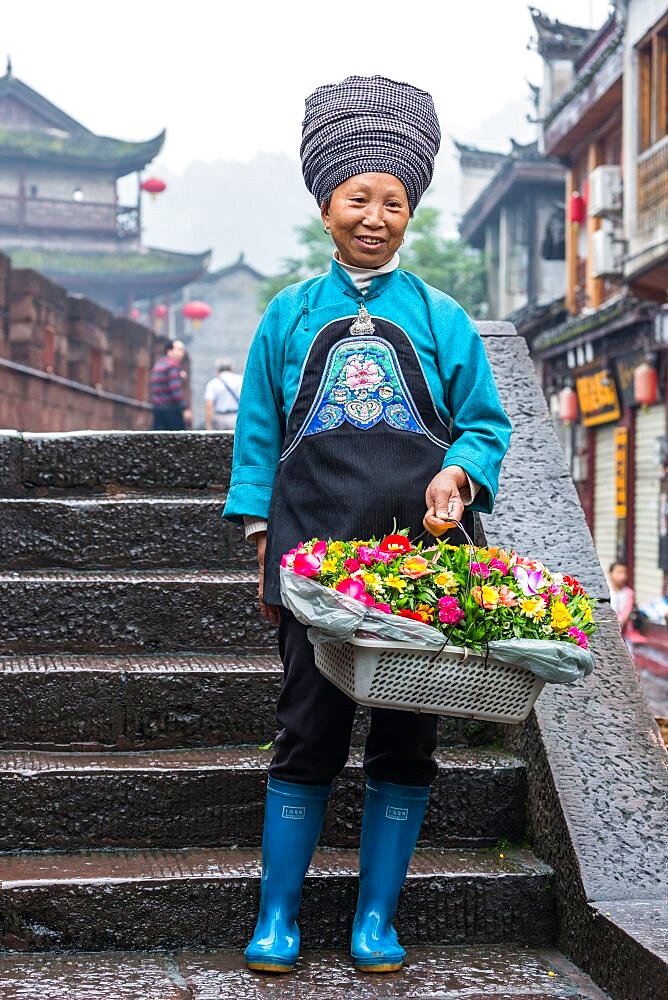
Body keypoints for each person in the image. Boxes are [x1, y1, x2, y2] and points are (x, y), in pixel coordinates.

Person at [223, 75, 512, 975]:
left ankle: (376, 919)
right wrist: (261, 548)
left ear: (411, 211)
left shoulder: (440, 316)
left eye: (395, 201)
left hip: (418, 561)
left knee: (406, 732)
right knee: (308, 725)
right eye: (360, 199)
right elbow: (260, 436)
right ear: (326, 207)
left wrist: (460, 474)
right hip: (311, 552)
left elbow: (485, 423)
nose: (377, 217)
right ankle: (278, 917)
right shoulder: (288, 315)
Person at [149, 339, 191, 430]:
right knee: (179, 440)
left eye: (183, 350)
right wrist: (184, 408)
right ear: (169, 351)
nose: (182, 353)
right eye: (179, 350)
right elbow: (175, 389)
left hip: (158, 409)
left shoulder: (159, 365)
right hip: (171, 410)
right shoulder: (172, 367)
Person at [204, 359, 243, 430]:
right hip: (235, 416)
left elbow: (209, 404)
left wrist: (208, 426)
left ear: (217, 370)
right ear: (231, 369)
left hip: (219, 418)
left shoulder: (213, 383)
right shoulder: (240, 380)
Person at [607, 562, 635, 635]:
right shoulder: (606, 591)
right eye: (619, 572)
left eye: (624, 573)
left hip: (623, 633)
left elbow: (626, 614)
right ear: (610, 573)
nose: (622, 576)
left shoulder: (629, 593)